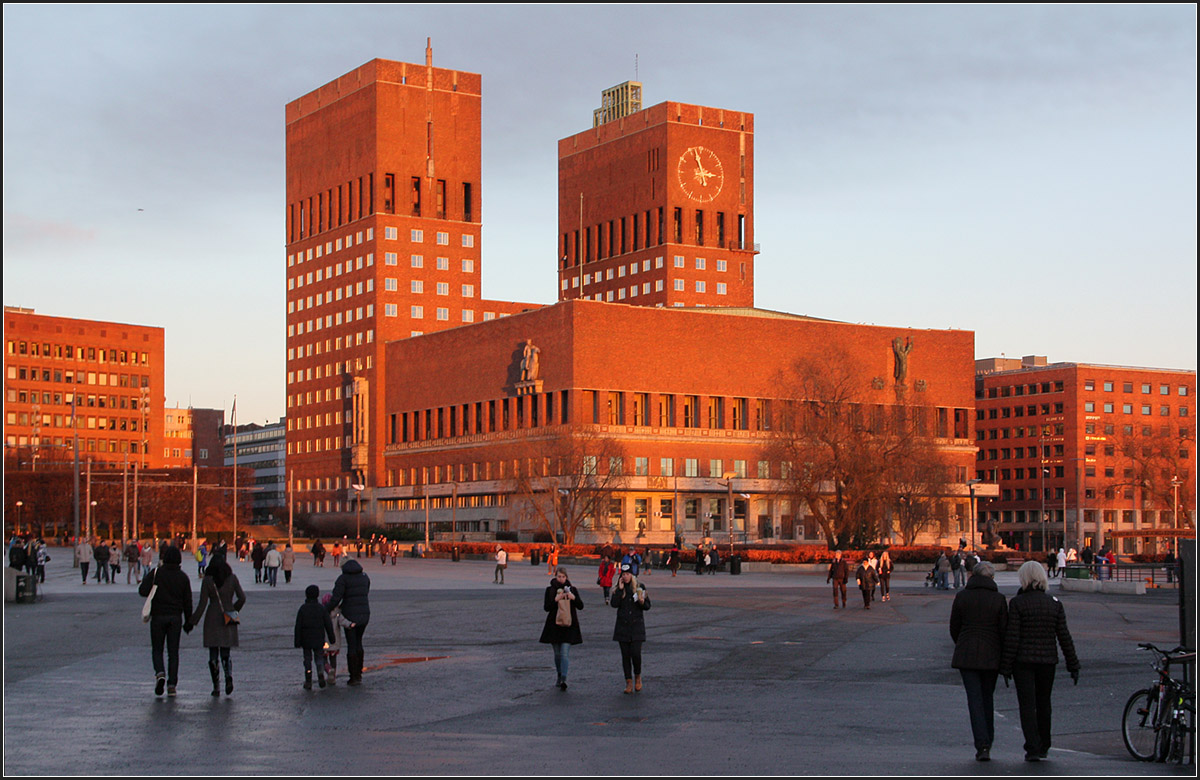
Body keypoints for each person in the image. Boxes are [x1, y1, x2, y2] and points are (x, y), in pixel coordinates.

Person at [1000, 560, 1081, 762]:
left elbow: (1012, 637)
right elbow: (1064, 636)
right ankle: (1045, 743)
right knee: (1044, 703)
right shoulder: (1054, 604)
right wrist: (1073, 664)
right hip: (1047, 660)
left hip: (1023, 661)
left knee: (1027, 705)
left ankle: (1033, 746)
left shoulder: (1017, 603)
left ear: (1024, 578)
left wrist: (1006, 666)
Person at [950, 561, 1008, 762]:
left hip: (966, 653)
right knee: (987, 698)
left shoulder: (962, 596)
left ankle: (982, 744)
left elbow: (954, 627)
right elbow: (1004, 630)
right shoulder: (999, 599)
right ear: (991, 578)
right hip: (991, 654)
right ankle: (987, 740)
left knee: (974, 699)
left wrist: (963, 642)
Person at [138, 545, 195, 697]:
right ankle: (172, 684)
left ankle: (160, 673)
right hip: (175, 618)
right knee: (173, 652)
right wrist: (189, 621)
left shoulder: (157, 573)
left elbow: (142, 590)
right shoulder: (183, 577)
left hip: (158, 617)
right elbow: (187, 601)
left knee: (157, 649)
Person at [191, 550, 246, 696]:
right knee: (226, 651)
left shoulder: (208, 580)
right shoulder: (232, 578)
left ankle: (216, 686)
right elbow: (242, 598)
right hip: (228, 615)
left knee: (213, 652)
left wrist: (192, 621)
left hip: (212, 617)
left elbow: (202, 604)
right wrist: (234, 610)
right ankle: (228, 676)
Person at [325, 557, 371, 686]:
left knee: (352, 644)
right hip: (364, 614)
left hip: (350, 614)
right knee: (359, 642)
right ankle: (359, 673)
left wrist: (325, 610)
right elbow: (365, 592)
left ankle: (353, 676)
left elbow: (336, 598)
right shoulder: (364, 576)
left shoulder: (343, 579)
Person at [539, 566, 583, 691]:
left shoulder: (572, 590)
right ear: (555, 576)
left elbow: (581, 606)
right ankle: (559, 674)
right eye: (559, 576)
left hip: (569, 625)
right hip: (554, 625)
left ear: (566, 577)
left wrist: (573, 597)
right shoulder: (550, 590)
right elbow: (546, 607)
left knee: (564, 653)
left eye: (563, 577)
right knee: (557, 654)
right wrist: (555, 600)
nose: (561, 579)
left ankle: (564, 678)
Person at [610, 563, 651, 694]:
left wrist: (642, 601)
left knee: (636, 654)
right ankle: (628, 682)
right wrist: (620, 590)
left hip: (636, 627)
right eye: (623, 575)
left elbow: (647, 606)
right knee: (625, 656)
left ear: (632, 575)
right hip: (623, 627)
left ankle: (638, 677)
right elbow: (614, 604)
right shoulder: (619, 589)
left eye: (628, 574)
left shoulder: (639, 587)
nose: (626, 577)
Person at [295, 585, 335, 690]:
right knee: (319, 657)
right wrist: (332, 638)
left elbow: (298, 626)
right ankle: (320, 674)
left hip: (306, 639)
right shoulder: (321, 608)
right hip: (318, 638)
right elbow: (328, 624)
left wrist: (297, 641)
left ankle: (308, 679)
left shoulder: (303, 609)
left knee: (307, 659)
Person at [319, 592, 355, 685]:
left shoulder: (322, 614)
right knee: (333, 658)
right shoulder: (337, 614)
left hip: (324, 641)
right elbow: (343, 622)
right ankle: (333, 675)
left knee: (323, 658)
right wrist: (350, 624)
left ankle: (328, 670)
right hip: (334, 640)